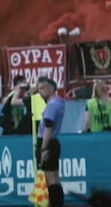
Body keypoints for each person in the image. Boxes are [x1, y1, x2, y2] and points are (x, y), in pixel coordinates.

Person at [37, 76, 66, 207]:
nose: (40, 91)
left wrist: (43, 148)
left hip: (47, 142)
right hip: (54, 143)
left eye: (42, 88)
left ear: (51, 88)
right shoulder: (60, 102)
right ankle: (57, 203)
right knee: (55, 177)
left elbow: (48, 128)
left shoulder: (51, 105)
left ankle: (55, 204)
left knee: (51, 180)